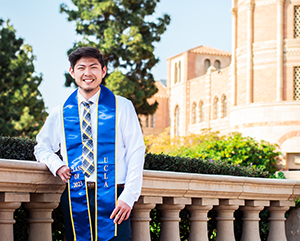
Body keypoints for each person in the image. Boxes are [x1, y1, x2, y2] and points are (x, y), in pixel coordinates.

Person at [34, 47, 145, 241]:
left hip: (114, 197)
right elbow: (41, 146)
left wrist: (129, 196)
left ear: (103, 71)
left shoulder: (122, 106)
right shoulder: (60, 112)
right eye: (81, 67)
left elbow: (136, 150)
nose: (87, 73)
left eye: (93, 67)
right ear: (72, 72)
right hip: (76, 195)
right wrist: (56, 164)